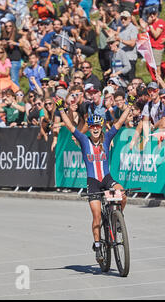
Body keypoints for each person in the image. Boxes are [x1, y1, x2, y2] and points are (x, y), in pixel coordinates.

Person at [56, 97, 131, 264]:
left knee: (123, 195)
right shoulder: (84, 140)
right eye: (92, 127)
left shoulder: (107, 138)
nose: (95, 129)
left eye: (98, 126)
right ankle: (98, 245)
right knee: (97, 216)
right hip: (93, 182)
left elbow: (119, 122)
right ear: (89, 128)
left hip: (107, 178)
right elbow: (70, 126)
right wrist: (61, 109)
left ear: (101, 127)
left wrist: (130, 105)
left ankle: (119, 219)